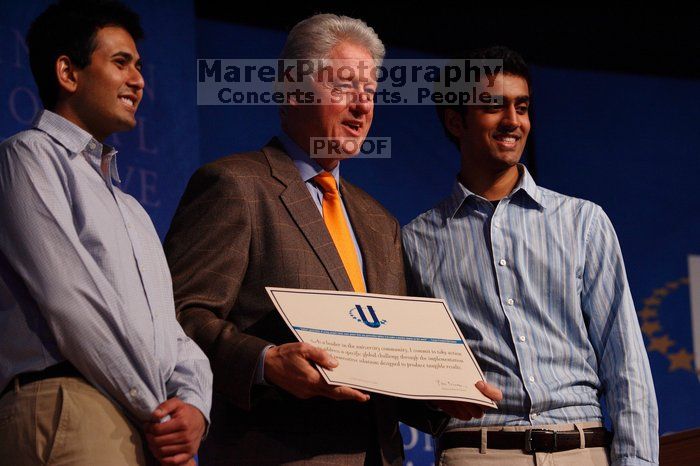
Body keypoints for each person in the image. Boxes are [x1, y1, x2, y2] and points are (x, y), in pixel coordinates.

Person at [164, 13, 500, 465]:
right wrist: (265, 361)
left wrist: (441, 396)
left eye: (369, 93)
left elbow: (381, 361)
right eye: (343, 87)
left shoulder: (378, 220)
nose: (361, 107)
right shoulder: (235, 186)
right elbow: (178, 317)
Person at [402, 46, 658, 466]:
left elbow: (625, 360)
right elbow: (409, 371)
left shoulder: (583, 221)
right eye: (494, 106)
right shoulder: (415, 241)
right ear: (454, 121)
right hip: (476, 450)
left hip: (582, 448)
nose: (513, 121)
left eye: (522, 107)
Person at [0, 1, 212, 465]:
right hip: (70, 403)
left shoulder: (133, 210)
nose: (138, 81)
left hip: (140, 422)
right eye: (120, 63)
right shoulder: (27, 157)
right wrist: (158, 413)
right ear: (67, 73)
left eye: (139, 66)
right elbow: (70, 299)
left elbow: (170, 333)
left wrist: (194, 407)